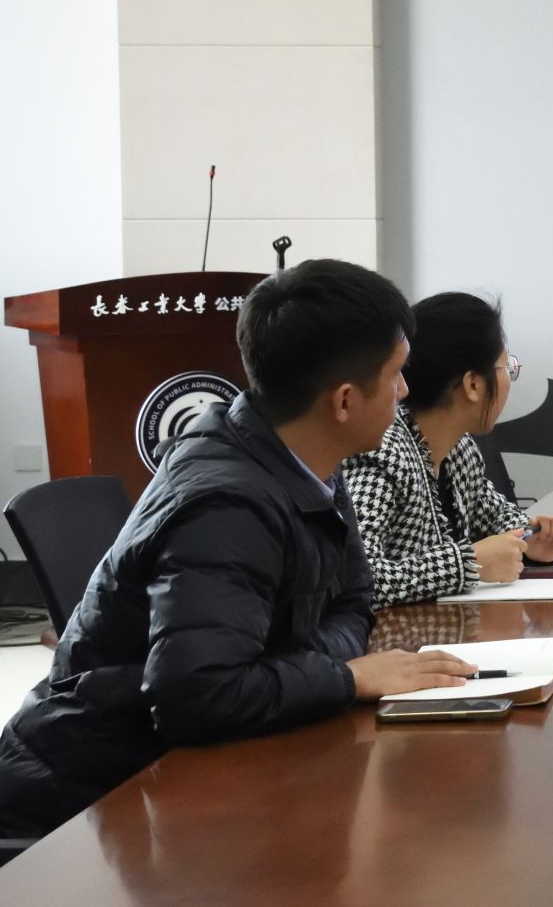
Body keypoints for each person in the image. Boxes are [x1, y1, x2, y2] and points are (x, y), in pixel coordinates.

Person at [0, 260, 476, 849]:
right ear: (344, 401)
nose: (404, 392)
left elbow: (355, 601)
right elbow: (198, 698)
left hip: (174, 775)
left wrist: (296, 666)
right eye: (396, 375)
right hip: (80, 808)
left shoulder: (307, 459)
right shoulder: (226, 506)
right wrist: (343, 677)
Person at [340, 291, 553, 610]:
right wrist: (468, 564)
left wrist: (535, 540)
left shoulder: (460, 449)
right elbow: (354, 577)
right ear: (473, 384)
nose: (510, 379)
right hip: (394, 639)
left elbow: (497, 519)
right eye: (506, 367)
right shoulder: (384, 454)